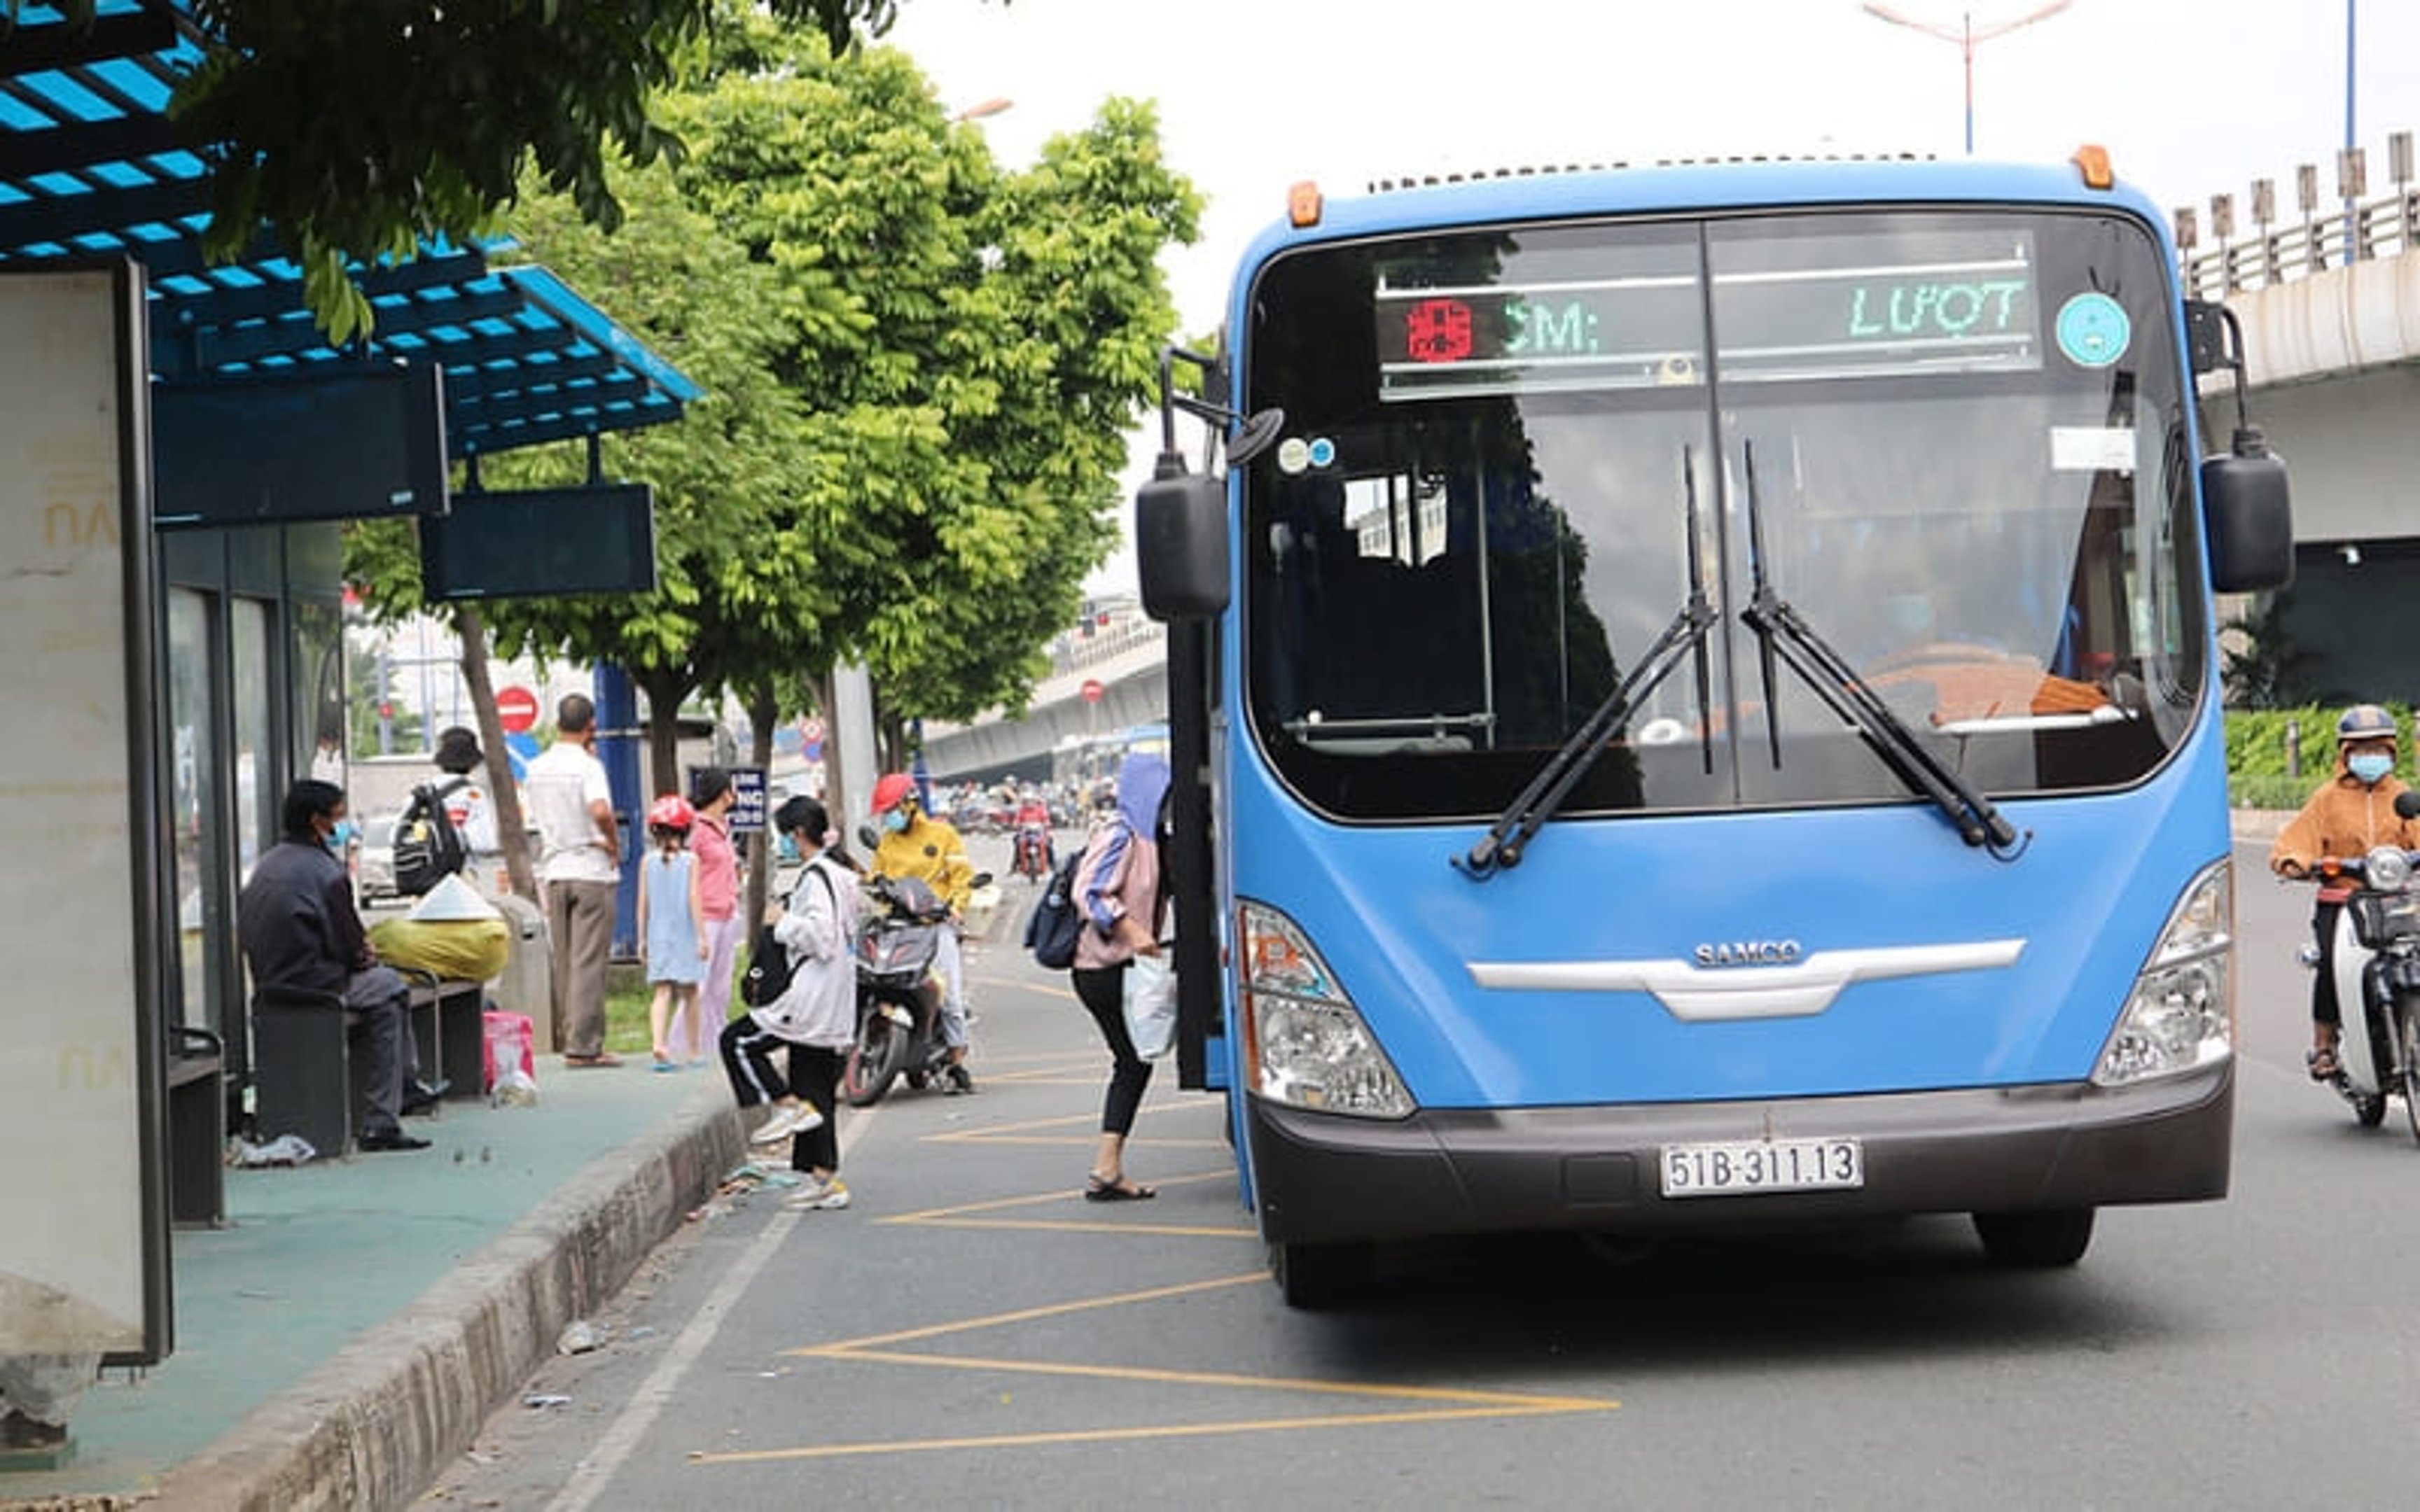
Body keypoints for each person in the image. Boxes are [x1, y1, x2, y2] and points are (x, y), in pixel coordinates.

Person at [236, 779, 433, 1151]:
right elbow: (351, 948)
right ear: (317, 821)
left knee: (384, 995)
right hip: (318, 985)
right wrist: (367, 955)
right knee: (392, 989)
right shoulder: (326, 874)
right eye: (338, 818)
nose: (343, 827)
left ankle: (397, 1094)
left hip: (271, 984)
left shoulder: (267, 865)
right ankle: (391, 1105)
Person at [717, 795, 859, 1211]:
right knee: (815, 1085)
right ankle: (824, 1180)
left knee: (738, 1042)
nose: (784, 844)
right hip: (835, 996)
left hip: (810, 994)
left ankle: (784, 1105)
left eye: (785, 837)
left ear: (799, 834)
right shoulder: (841, 872)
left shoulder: (817, 876)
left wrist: (782, 924)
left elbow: (821, 937)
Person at [2270, 703, 2420, 1079]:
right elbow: (2297, 841)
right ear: (2345, 754)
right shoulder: (2327, 799)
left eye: (2379, 747)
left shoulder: (2402, 795)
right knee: (2330, 969)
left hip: (2395, 900)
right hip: (2341, 900)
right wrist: (2297, 860)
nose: (2371, 756)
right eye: (2361, 749)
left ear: (2392, 751)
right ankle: (2324, 1044)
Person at [1066, 750, 1171, 1200]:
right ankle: (1105, 1167)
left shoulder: (1154, 840)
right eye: (1162, 791)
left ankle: (1107, 1168)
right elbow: (1087, 892)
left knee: (1134, 1061)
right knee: (1134, 1060)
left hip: (1126, 965)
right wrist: (1132, 930)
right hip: (1102, 968)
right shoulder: (1121, 835)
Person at [526, 693, 623, 1067]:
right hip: (590, 868)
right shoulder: (588, 766)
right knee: (589, 961)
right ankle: (584, 1046)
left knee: (565, 960)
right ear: (591, 726)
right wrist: (612, 842)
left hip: (555, 869)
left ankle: (572, 1035)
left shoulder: (536, 768)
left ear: (557, 724)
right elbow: (599, 809)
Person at [868, 771, 977, 1093]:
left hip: (935, 927)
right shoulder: (887, 842)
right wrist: (873, 887)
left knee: (951, 999)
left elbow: (962, 877)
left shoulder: (943, 835)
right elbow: (877, 876)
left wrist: (956, 907)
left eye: (892, 810)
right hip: (898, 926)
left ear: (910, 804)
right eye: (886, 812)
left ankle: (957, 1065)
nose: (889, 817)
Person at [638, 794, 708, 1071]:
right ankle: (693, 1051)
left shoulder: (647, 861)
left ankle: (659, 1043)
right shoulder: (691, 860)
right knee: (690, 993)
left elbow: (643, 902)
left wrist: (642, 938)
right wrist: (702, 935)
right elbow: (694, 898)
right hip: (685, 933)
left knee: (662, 992)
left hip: (657, 934)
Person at [684, 766, 746, 1068]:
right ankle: (684, 1045)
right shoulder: (696, 830)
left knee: (720, 987)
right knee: (699, 985)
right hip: (705, 915)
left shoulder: (725, 828)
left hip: (728, 912)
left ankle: (715, 1044)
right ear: (723, 793)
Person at [431, 725, 502, 895]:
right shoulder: (474, 795)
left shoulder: (422, 793)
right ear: (472, 763)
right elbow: (486, 842)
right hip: (463, 874)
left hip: (428, 878)